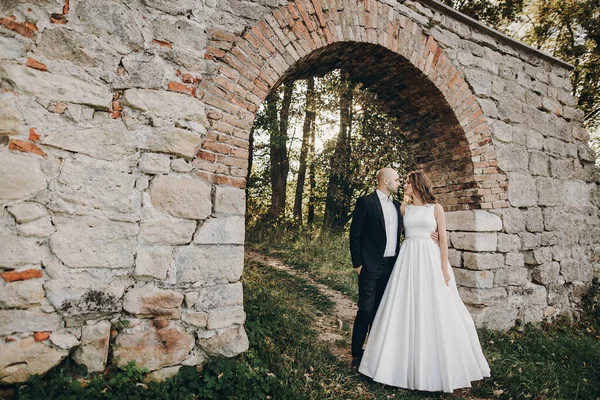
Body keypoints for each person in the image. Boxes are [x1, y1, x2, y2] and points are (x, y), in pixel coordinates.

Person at [358, 171, 491, 393]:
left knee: (435, 308)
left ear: (418, 184)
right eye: (404, 182)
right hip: (408, 260)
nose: (405, 185)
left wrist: (443, 268)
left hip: (430, 260)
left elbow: (444, 242)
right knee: (402, 307)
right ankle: (391, 364)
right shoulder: (403, 209)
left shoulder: (436, 209)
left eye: (408, 182)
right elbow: (389, 230)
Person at [349, 168, 437, 368]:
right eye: (397, 180)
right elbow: (355, 234)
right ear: (386, 181)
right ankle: (356, 354)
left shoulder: (399, 206)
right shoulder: (366, 202)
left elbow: (416, 226)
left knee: (383, 311)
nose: (399, 183)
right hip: (369, 266)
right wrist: (358, 264)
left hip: (393, 266)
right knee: (366, 309)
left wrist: (434, 235)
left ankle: (374, 352)